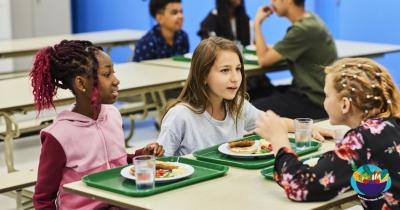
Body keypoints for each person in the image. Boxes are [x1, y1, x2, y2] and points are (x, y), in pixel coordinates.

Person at [31, 40, 164, 210]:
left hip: (121, 203)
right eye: (107, 75)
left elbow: (117, 162)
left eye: (113, 73)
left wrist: (141, 155)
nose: (116, 81)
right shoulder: (59, 136)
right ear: (81, 83)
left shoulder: (113, 115)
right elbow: (43, 199)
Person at [255, 58, 400, 209]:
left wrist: (279, 141)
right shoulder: (391, 124)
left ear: (345, 105)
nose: (324, 101)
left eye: (327, 95)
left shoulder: (362, 139)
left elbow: (300, 186)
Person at [157, 37, 331, 156]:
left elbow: (273, 123)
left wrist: (307, 128)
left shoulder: (237, 106)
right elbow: (160, 164)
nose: (235, 77)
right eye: (225, 70)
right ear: (203, 75)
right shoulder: (180, 116)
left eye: (238, 69)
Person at [252, 0, 338, 119]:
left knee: (251, 109)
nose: (272, 2)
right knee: (253, 94)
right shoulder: (312, 19)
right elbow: (276, 51)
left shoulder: (303, 29)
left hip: (313, 100)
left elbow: (264, 60)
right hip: (314, 93)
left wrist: (257, 23)